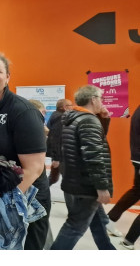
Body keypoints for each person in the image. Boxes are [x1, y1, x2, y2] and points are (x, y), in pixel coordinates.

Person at [0, 53, 47, 250]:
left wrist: (5, 205)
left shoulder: (23, 111)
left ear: (8, 77)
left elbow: (35, 168)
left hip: (23, 198)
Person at [51, 85, 115, 250]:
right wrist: (102, 187)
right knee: (74, 227)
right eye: (100, 98)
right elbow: (93, 155)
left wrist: (104, 119)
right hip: (88, 184)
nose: (102, 102)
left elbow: (96, 141)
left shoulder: (74, 118)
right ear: (93, 99)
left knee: (97, 222)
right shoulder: (88, 120)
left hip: (77, 180)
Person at [106, 105, 140, 241]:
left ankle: (110, 218)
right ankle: (129, 240)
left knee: (136, 191)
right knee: (136, 191)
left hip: (137, 157)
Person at [26, 98, 52, 249]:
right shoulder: (33, 132)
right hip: (33, 191)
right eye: (42, 113)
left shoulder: (40, 131)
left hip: (36, 190)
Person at [46, 99, 73, 185]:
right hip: (60, 155)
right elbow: (56, 138)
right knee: (67, 181)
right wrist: (56, 158)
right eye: (70, 105)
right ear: (65, 107)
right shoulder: (60, 117)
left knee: (53, 178)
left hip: (59, 154)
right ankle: (38, 195)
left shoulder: (55, 115)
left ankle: (38, 195)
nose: (72, 107)